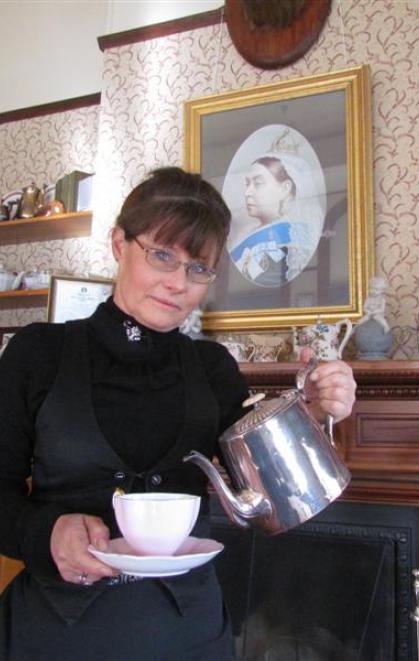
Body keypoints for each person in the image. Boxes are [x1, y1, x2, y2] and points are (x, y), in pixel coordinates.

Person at [0, 166, 356, 661]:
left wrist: (310, 416)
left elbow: (269, 500)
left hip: (188, 634)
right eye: (162, 255)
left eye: (198, 268)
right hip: (57, 632)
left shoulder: (212, 369)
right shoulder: (38, 354)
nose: (177, 283)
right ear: (119, 244)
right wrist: (46, 534)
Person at [228, 130, 326, 287]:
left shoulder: (289, 242)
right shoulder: (244, 233)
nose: (247, 193)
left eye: (258, 183)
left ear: (285, 188)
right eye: (247, 184)